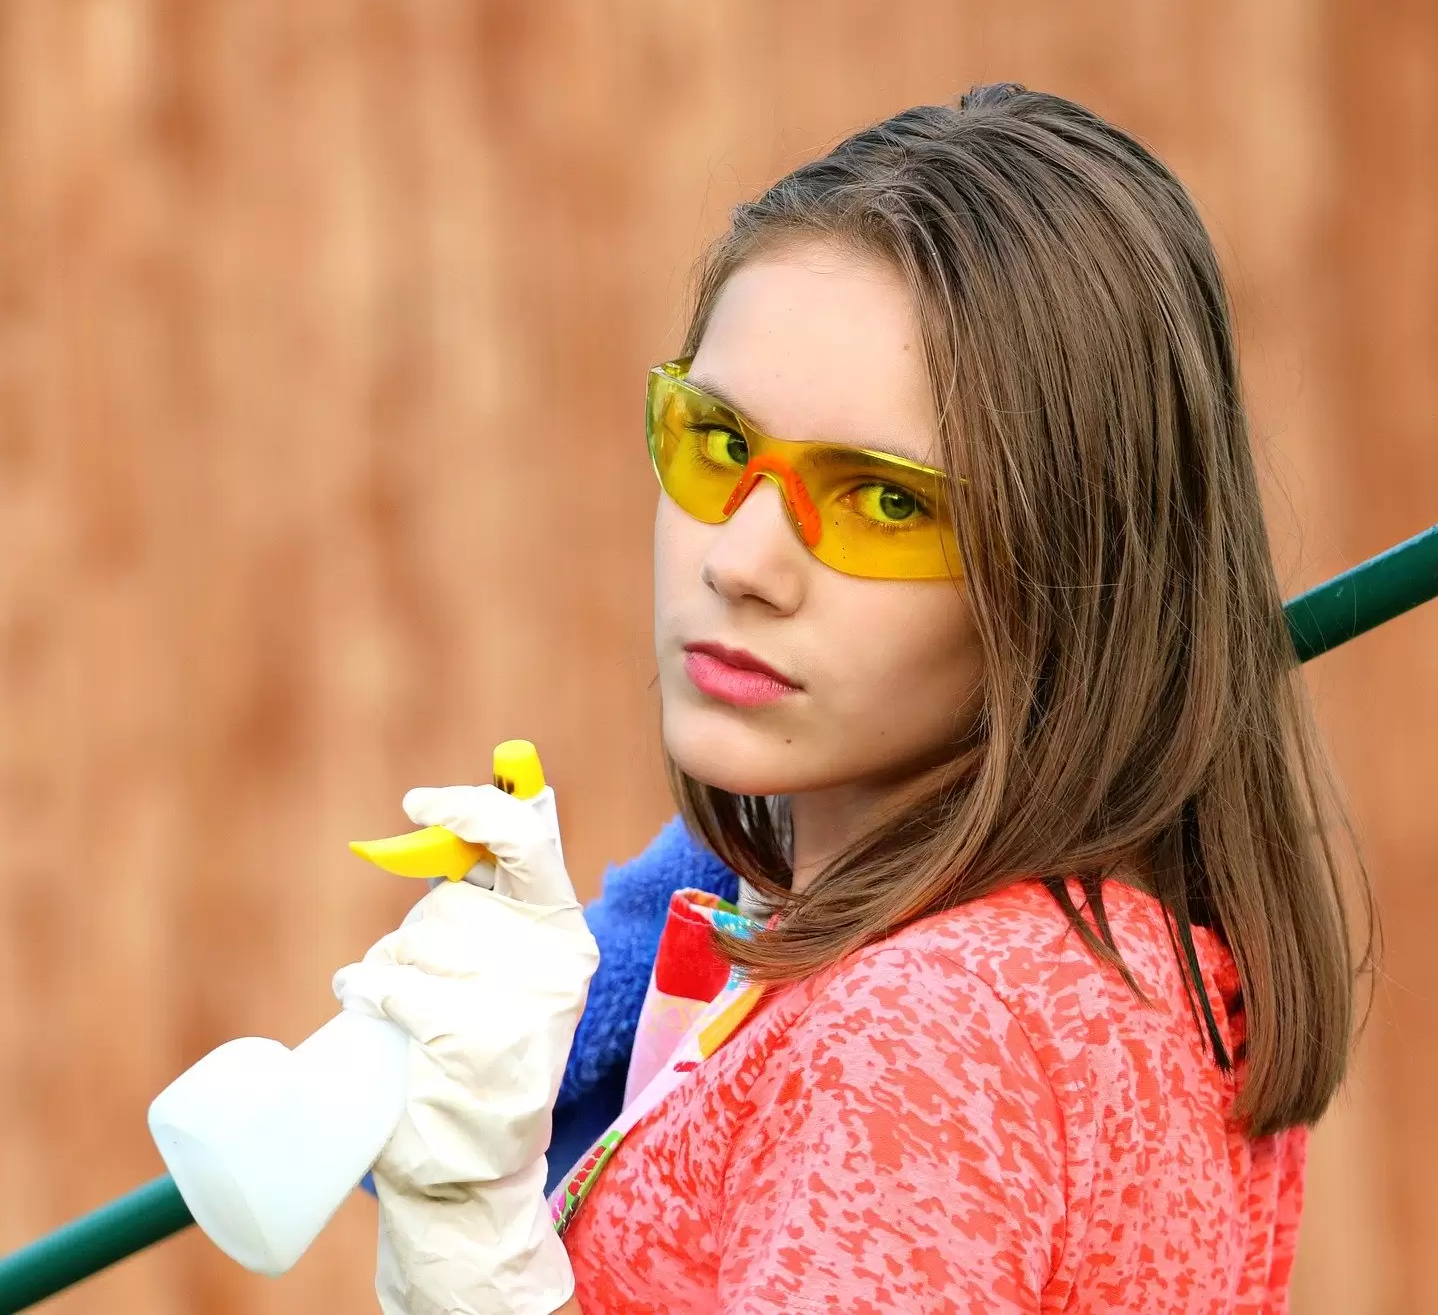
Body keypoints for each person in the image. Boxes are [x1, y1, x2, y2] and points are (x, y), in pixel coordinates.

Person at [336, 82, 1369, 1314]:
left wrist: (475, 1259)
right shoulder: (1114, 963)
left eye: (885, 500)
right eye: (720, 445)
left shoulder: (930, 1040)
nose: (740, 560)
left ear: (1073, 574)